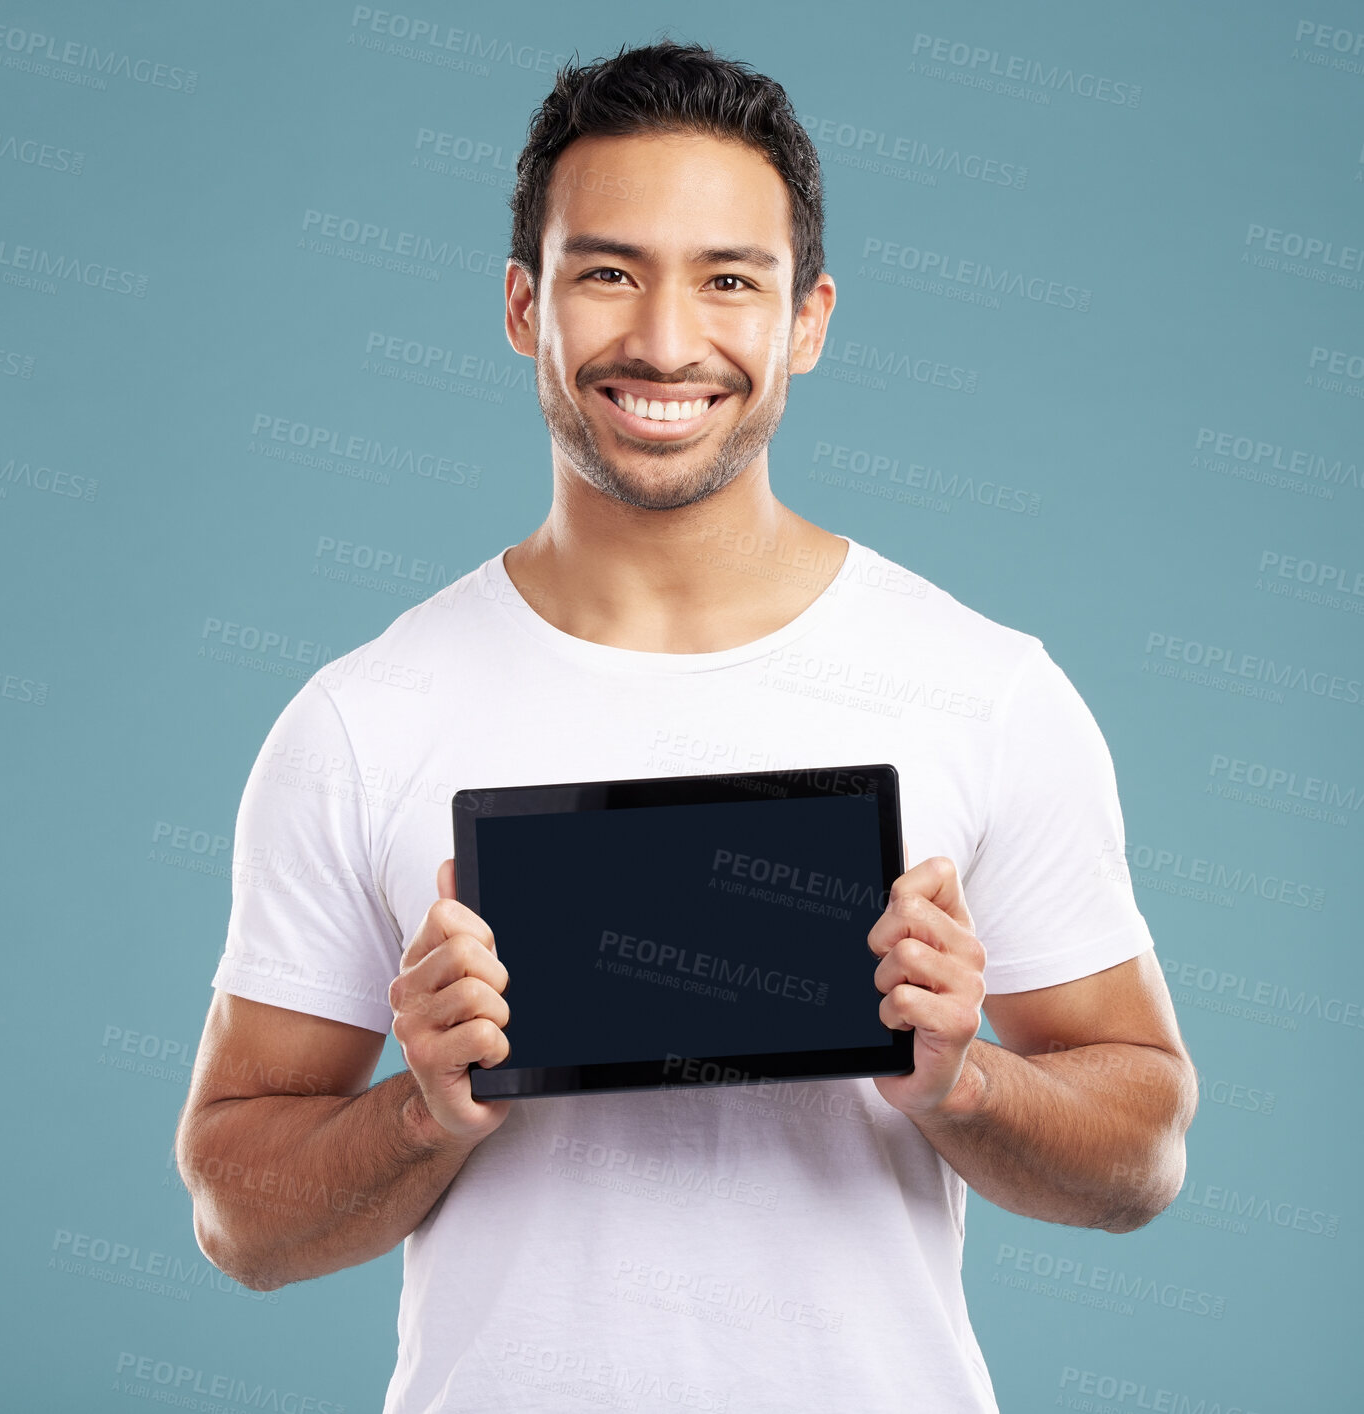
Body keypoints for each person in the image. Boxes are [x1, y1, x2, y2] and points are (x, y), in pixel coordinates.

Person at [176, 38, 1196, 1413]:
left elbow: (1140, 1153)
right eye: (608, 271)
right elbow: (240, 1217)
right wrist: (420, 1103)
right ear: (524, 306)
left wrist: (962, 1080)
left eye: (728, 278)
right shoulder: (361, 719)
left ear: (809, 318)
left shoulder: (984, 688)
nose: (665, 341)